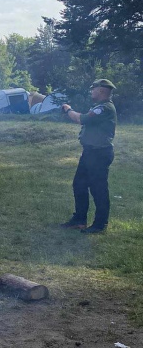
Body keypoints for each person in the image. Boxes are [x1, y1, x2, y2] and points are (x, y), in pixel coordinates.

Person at [60, 79, 117, 234]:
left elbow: (81, 119)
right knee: (79, 184)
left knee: (98, 189)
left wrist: (68, 109)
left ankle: (100, 225)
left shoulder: (104, 108)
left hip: (99, 154)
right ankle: (79, 220)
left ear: (101, 90)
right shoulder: (99, 107)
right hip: (90, 153)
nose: (91, 91)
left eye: (94, 89)